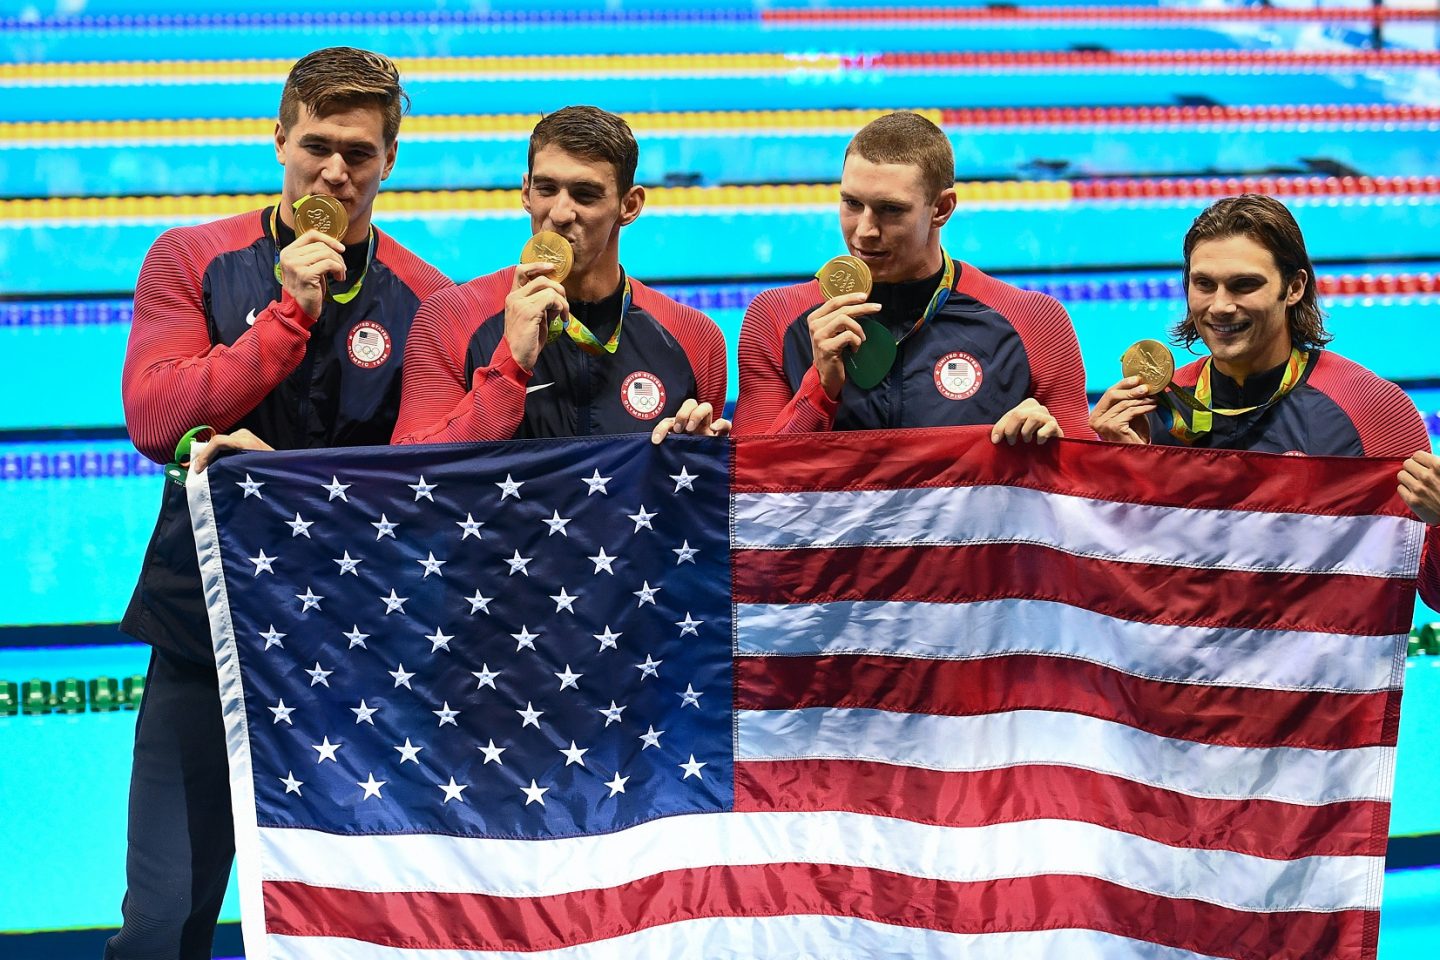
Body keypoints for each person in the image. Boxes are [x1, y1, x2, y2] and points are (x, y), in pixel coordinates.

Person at [112, 47, 451, 959]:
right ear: (278, 139)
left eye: (359, 153)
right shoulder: (194, 257)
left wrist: (284, 478)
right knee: (158, 925)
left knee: (356, 929)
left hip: (355, 646)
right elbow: (154, 415)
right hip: (203, 637)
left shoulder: (427, 302)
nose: (335, 171)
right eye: (316, 145)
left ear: (390, 162)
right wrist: (284, 320)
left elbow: (427, 487)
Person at [1090, 193, 1440, 601]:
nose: (1220, 306)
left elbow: (1433, 594)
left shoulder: (1369, 408)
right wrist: (1113, 473)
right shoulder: (1156, 407)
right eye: (1204, 284)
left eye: (1245, 285)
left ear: (1293, 288)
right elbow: (1126, 581)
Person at [732, 111, 1091, 443]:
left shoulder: (1034, 323)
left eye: (891, 209)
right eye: (852, 204)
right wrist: (821, 387)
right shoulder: (777, 318)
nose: (865, 231)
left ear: (942, 209)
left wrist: (1055, 451)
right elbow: (747, 486)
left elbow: (1082, 495)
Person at [392, 105, 728, 446]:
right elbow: (411, 475)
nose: (560, 213)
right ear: (526, 192)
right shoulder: (451, 318)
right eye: (546, 189)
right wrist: (511, 367)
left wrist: (696, 457)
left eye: (585, 195)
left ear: (629, 206)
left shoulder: (694, 338)